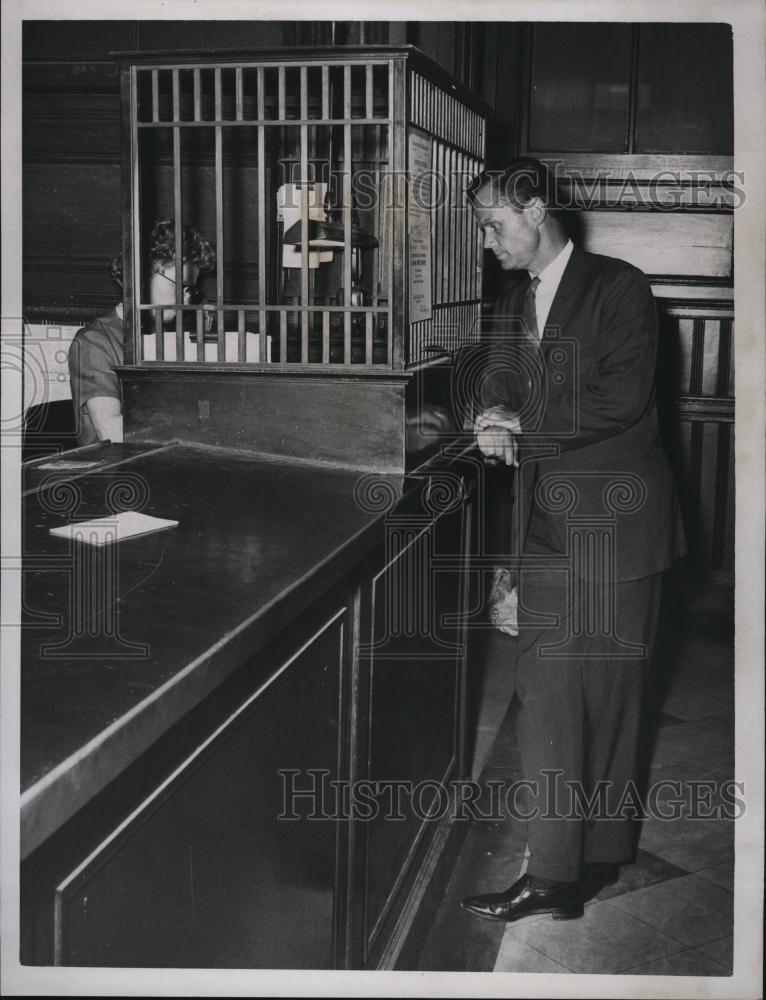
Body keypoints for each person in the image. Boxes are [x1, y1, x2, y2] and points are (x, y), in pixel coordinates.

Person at [460, 158, 686, 923]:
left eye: (493, 223)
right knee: (548, 694)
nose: (486, 240)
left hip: (617, 528)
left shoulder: (620, 287)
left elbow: (622, 396)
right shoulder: (506, 305)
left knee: (611, 702)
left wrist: (523, 424)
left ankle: (595, 854)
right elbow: (496, 386)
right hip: (547, 532)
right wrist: (489, 417)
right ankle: (555, 869)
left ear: (536, 208)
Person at [68, 220, 216, 447]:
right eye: (180, 286)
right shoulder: (93, 342)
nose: (186, 300)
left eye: (190, 290)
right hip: (114, 472)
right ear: (141, 277)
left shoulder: (176, 336)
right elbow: (112, 431)